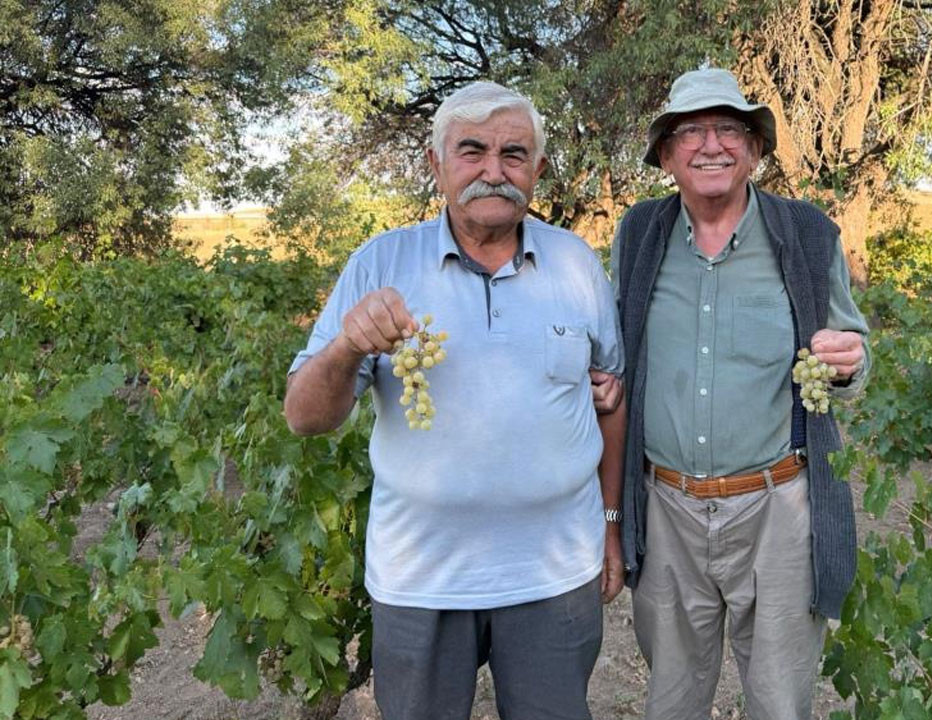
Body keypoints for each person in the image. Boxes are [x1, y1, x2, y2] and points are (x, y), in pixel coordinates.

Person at [284, 81, 626, 720]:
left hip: (555, 576)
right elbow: (305, 417)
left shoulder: (579, 266)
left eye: (514, 155)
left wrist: (610, 528)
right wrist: (345, 349)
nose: (494, 172)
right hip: (421, 580)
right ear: (435, 163)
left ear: (539, 170)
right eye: (472, 151)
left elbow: (612, 397)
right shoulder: (380, 263)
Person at [599, 68, 871, 720]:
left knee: (780, 703)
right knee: (671, 700)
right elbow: (614, 351)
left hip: (777, 507)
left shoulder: (806, 233)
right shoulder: (639, 235)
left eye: (728, 129)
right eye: (689, 132)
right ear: (666, 156)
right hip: (666, 510)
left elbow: (853, 346)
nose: (710, 145)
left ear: (754, 150)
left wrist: (850, 361)